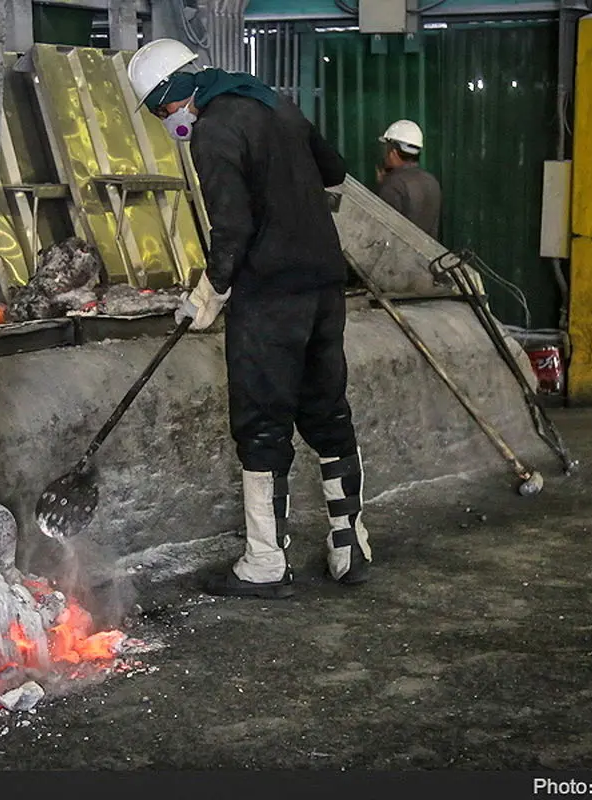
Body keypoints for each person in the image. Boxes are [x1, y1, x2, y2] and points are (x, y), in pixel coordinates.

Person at [127, 39, 373, 599]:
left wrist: (206, 296)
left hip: (270, 297)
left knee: (263, 423)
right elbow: (334, 169)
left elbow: (231, 231)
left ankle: (265, 563)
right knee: (328, 411)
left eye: (162, 111)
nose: (169, 121)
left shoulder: (213, 131)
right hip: (324, 286)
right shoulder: (274, 102)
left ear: (173, 92)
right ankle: (350, 546)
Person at [375, 120, 442, 239]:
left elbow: (385, 234)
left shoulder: (392, 185)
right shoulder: (432, 181)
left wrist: (383, 185)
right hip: (430, 256)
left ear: (393, 152)